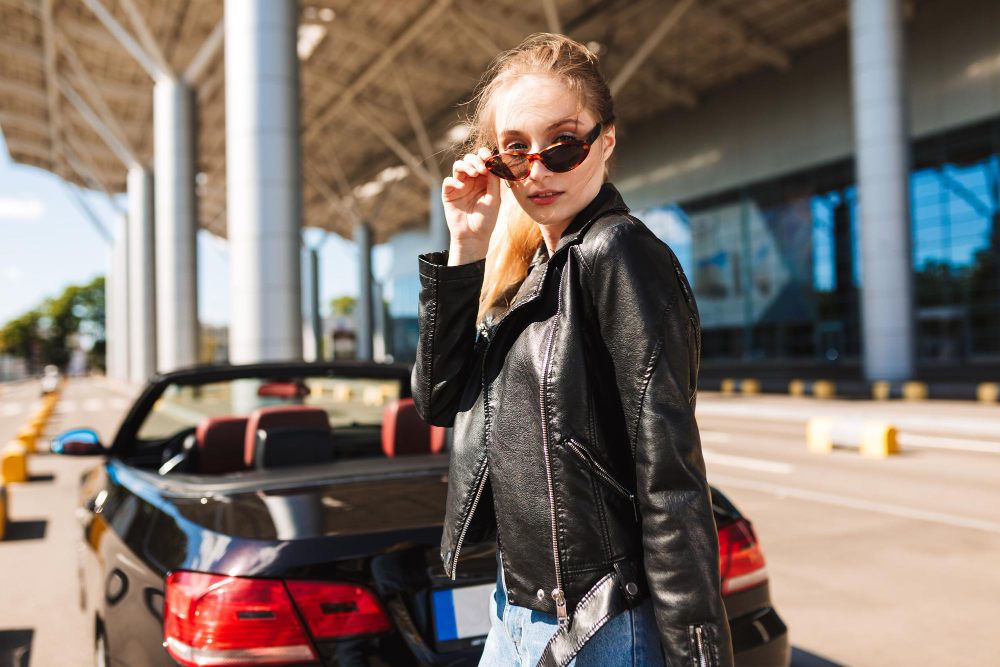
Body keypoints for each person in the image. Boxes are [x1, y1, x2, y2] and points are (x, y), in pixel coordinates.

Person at [411, 33, 733, 667]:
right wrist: (466, 249)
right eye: (515, 151)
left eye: (561, 145)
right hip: (516, 610)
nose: (538, 170)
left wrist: (697, 654)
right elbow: (439, 397)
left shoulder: (617, 255)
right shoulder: (529, 272)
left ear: (604, 141)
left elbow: (669, 476)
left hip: (597, 624)